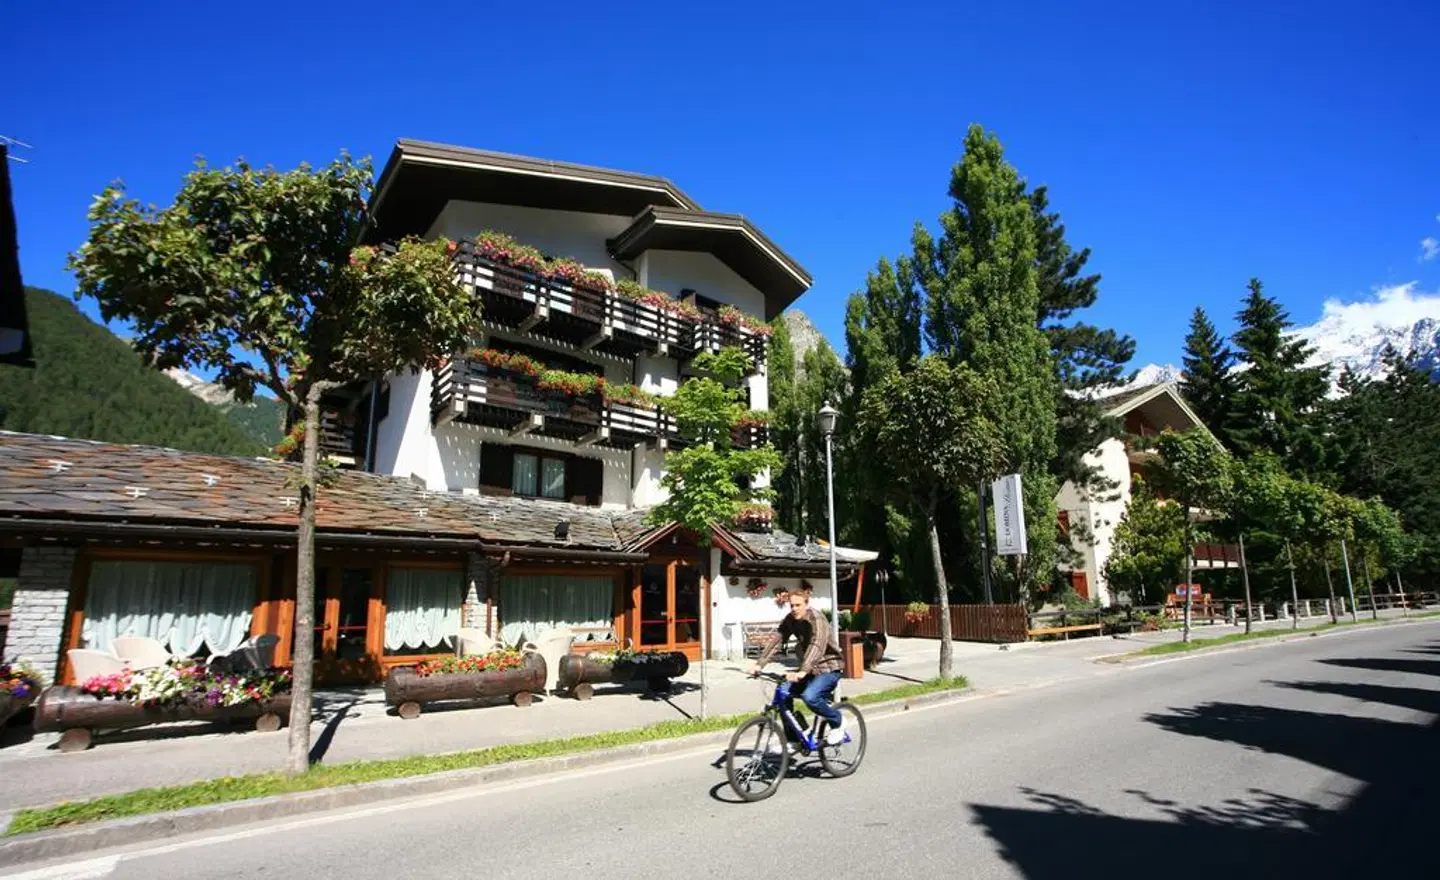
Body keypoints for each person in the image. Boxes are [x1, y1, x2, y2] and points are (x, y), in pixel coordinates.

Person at [750, 588, 847, 746]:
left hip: (829, 667)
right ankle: (794, 738)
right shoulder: (790, 619)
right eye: (792, 605)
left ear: (807, 604)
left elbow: (817, 645)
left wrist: (802, 670)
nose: (794, 609)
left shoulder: (817, 618)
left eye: (798, 605)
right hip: (809, 669)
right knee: (782, 693)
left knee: (810, 696)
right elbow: (778, 640)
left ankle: (838, 722)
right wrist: (759, 664)